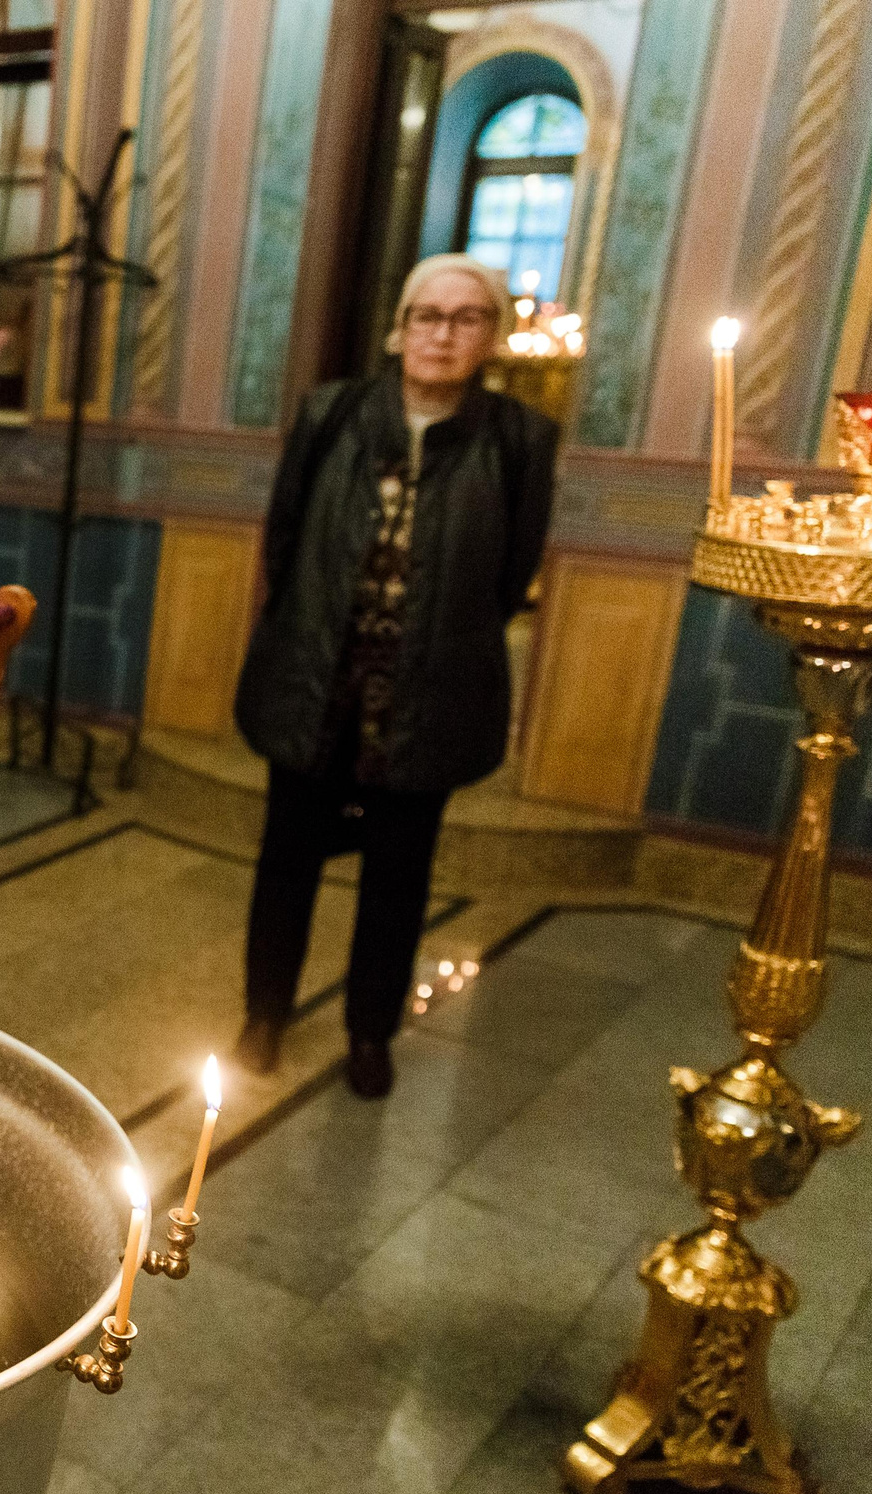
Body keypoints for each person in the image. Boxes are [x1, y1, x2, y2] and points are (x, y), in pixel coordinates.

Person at [231, 253, 557, 1100]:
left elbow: (510, 575)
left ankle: (369, 1032)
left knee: (399, 876)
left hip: (431, 694)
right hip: (317, 680)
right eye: (426, 316)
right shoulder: (332, 413)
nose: (442, 335)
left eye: (465, 318)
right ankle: (265, 1013)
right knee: (287, 860)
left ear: (492, 335)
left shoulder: (519, 440)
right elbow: (286, 537)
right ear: (399, 327)